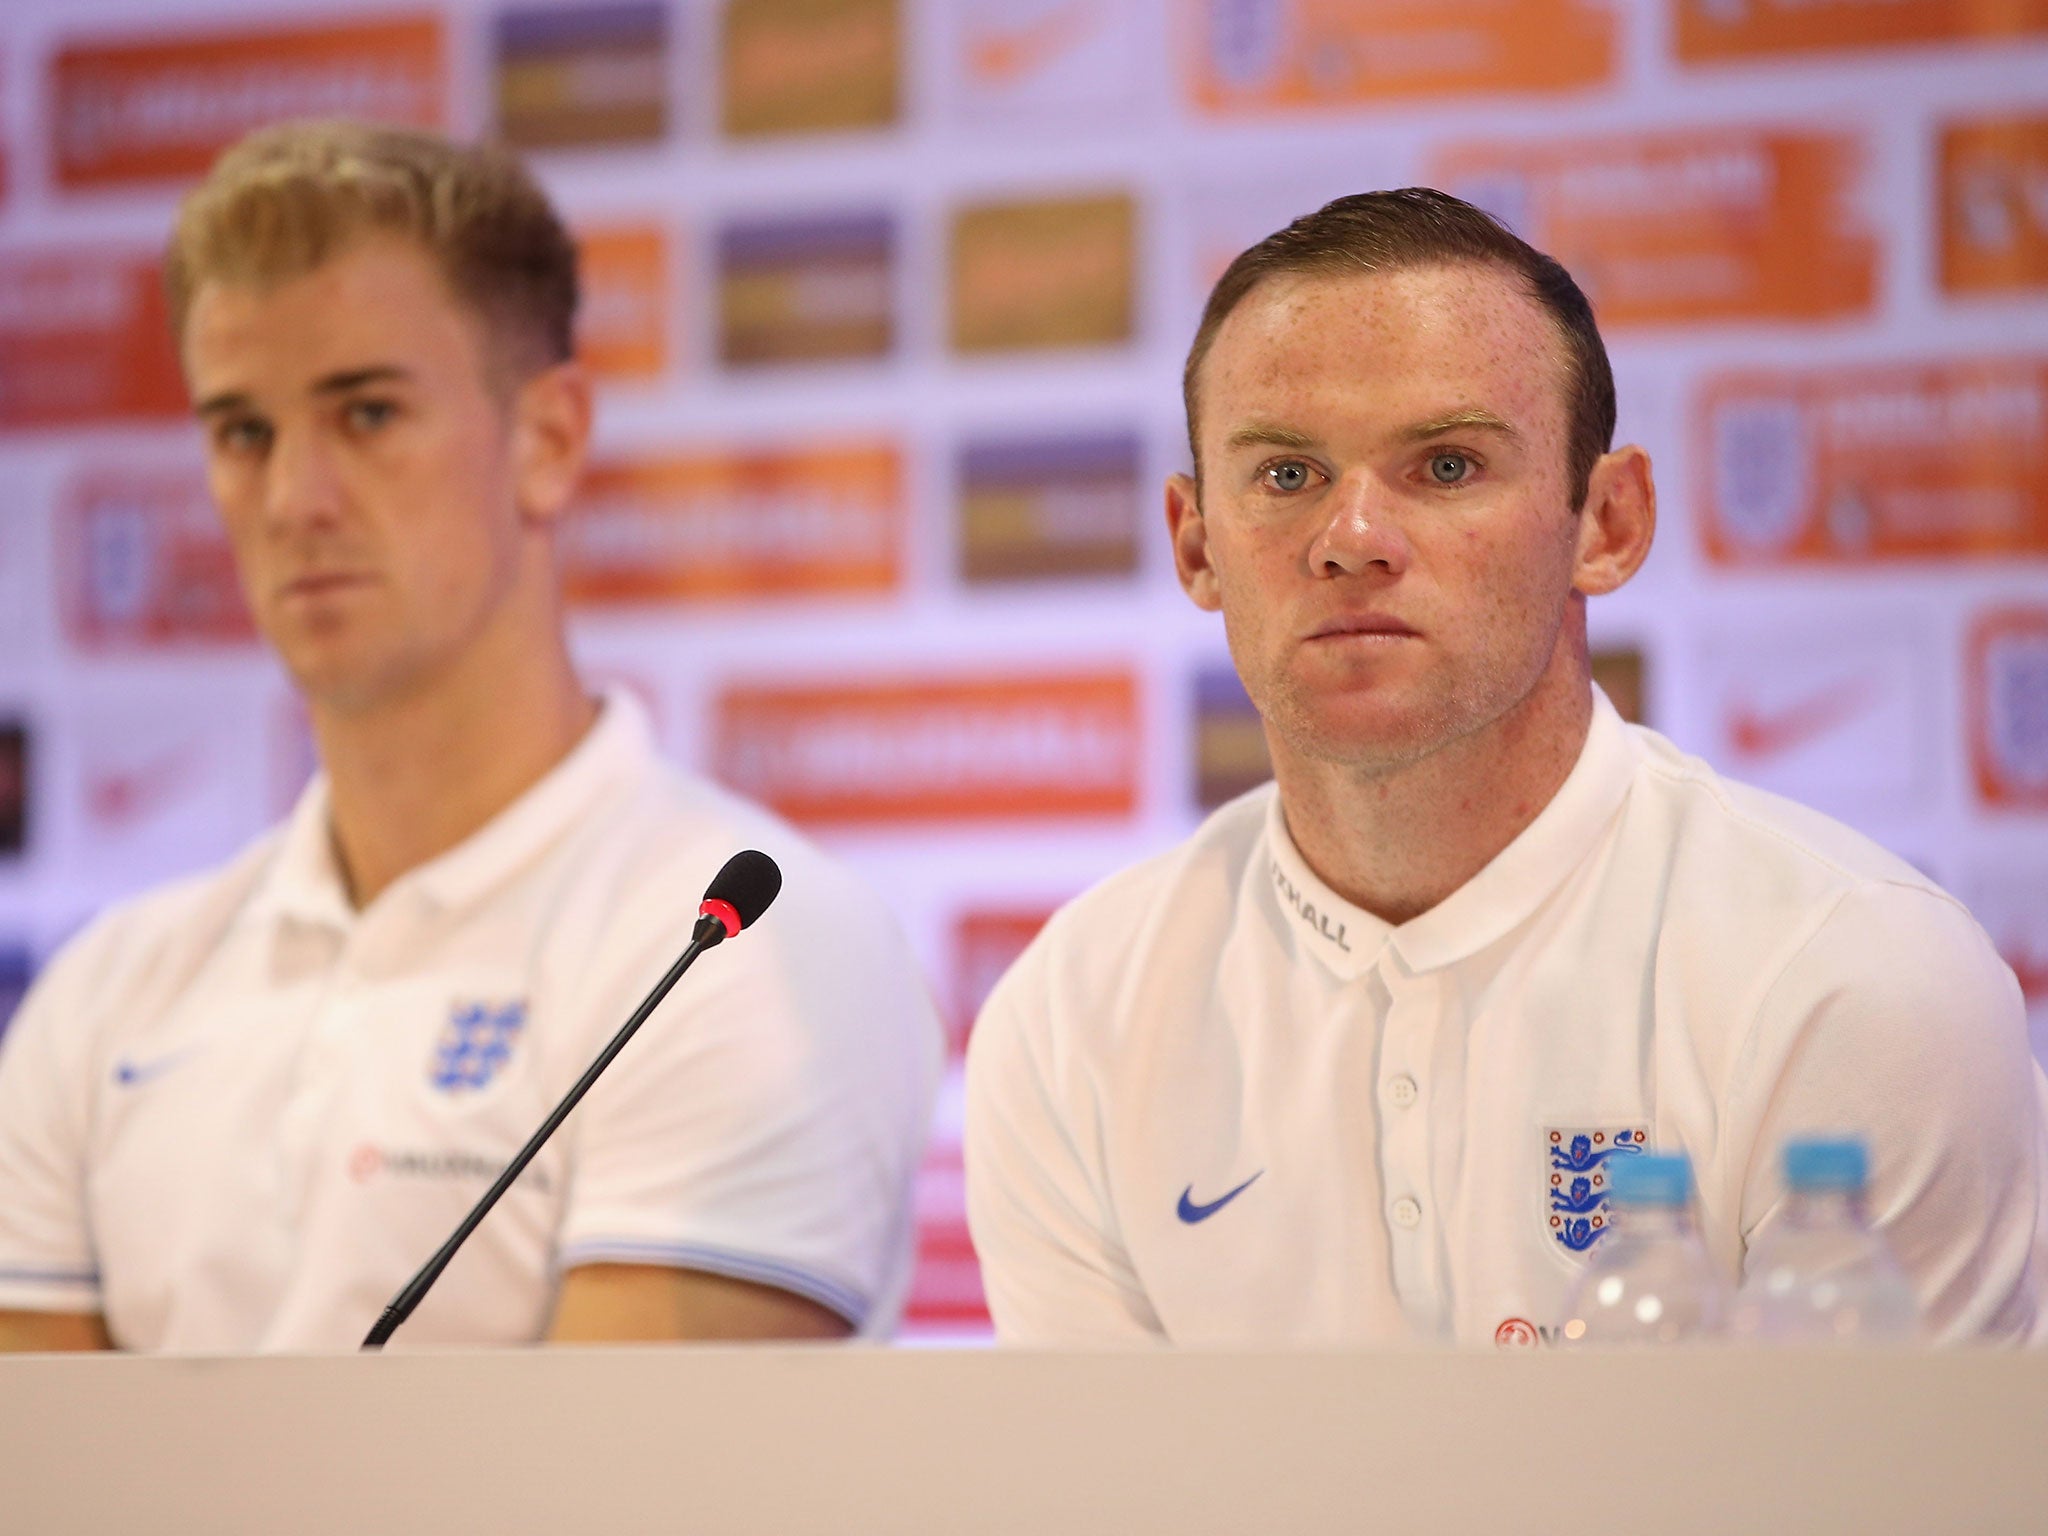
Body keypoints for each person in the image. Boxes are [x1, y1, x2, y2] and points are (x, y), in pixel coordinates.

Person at [964, 189, 2047, 1346]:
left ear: (1608, 523)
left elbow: (1898, 1516)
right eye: (1285, 475)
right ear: (1194, 545)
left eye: (1443, 467)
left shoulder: (1850, 978)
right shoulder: (1074, 1014)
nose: (1349, 537)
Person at [0, 121, 941, 1352]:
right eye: (243, 432)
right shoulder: (103, 992)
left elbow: (628, 1493)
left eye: (369, 413)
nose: (294, 500)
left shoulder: (737, 950)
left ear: (546, 441)